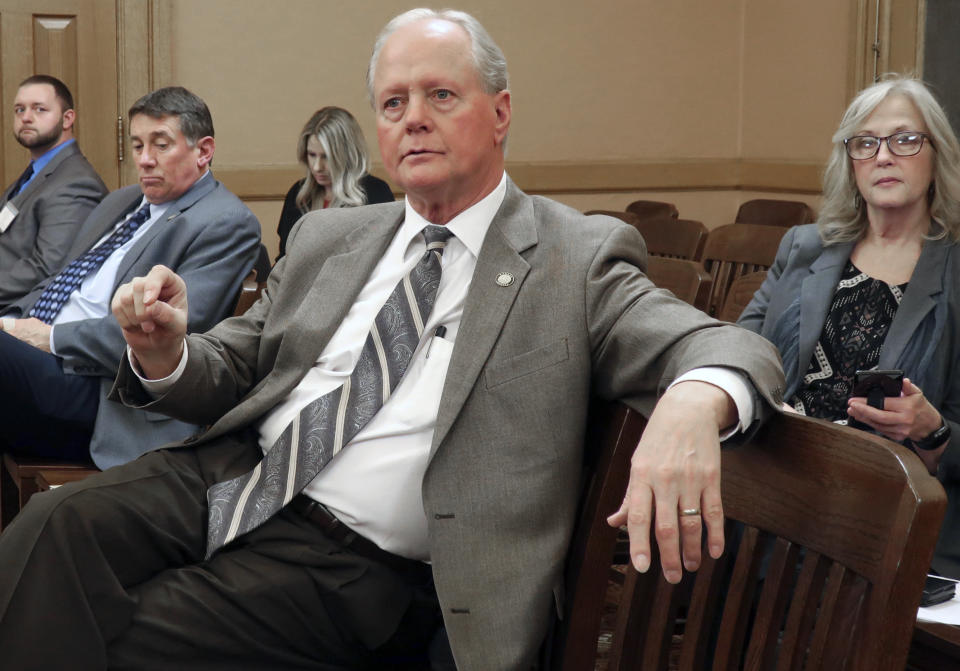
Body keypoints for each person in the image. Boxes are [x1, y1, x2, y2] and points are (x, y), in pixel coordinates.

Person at [0, 10, 783, 670]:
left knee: (127, 629)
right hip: (230, 472)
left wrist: (690, 405)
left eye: (441, 94)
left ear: (501, 111)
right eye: (394, 102)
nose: (413, 118)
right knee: (47, 530)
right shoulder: (332, 236)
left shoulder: (573, 256)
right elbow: (236, 359)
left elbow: (735, 348)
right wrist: (167, 353)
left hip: (359, 562)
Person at [738, 76, 960, 579]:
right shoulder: (803, 248)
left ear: (936, 154)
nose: (884, 156)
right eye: (865, 143)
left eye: (905, 139)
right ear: (850, 162)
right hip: (776, 501)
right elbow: (741, 348)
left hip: (891, 520)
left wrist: (934, 432)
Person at [0, 86, 261, 470]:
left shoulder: (225, 222)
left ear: (203, 151)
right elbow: (60, 280)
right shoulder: (119, 202)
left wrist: (47, 336)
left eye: (161, 145)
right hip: (37, 353)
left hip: (103, 390)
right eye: (138, 146)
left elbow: (163, 335)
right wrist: (14, 323)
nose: (145, 160)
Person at [0, 74, 107, 309]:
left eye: (39, 109)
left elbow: (46, 267)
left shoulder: (76, 183)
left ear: (67, 118)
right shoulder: (37, 172)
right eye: (19, 110)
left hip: (18, 315)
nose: (26, 117)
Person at [276, 106, 394, 259]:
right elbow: (284, 260)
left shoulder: (375, 193)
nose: (317, 167)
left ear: (347, 155)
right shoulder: (298, 194)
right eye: (312, 155)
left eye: (326, 157)